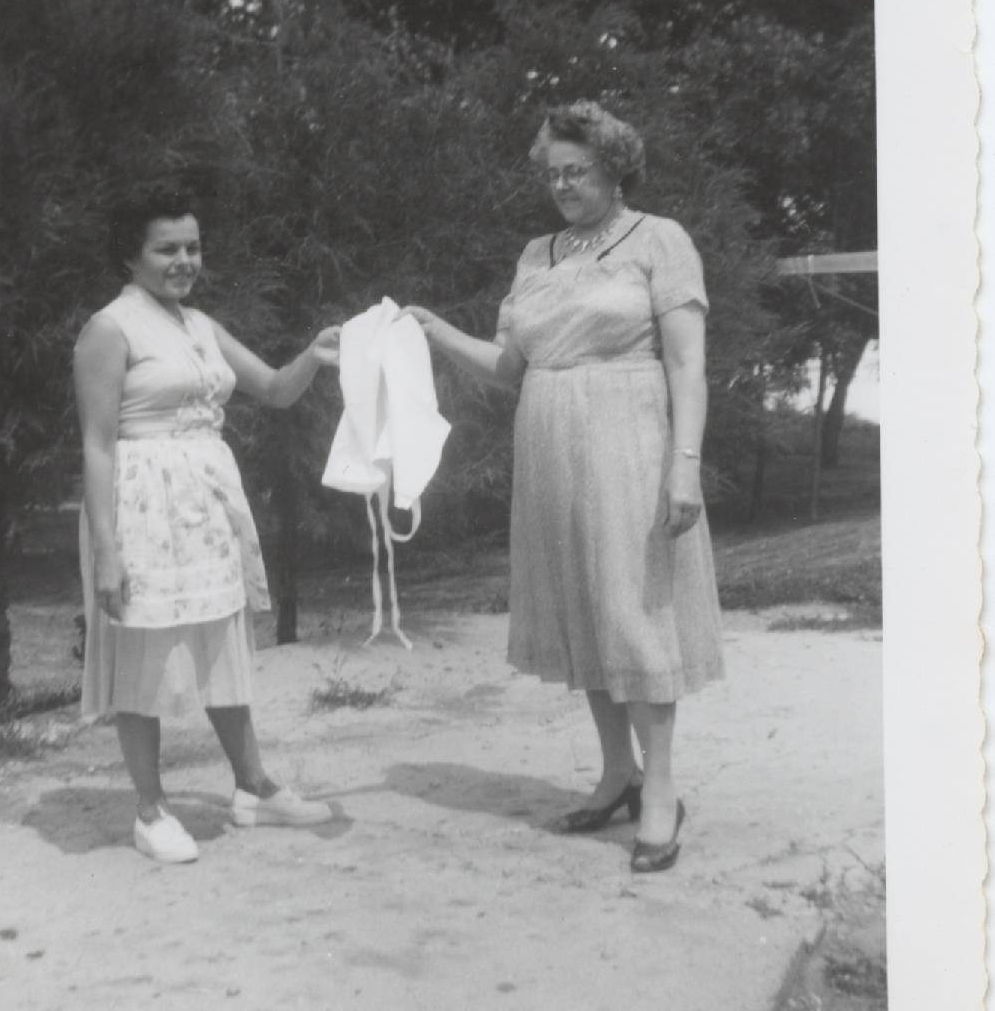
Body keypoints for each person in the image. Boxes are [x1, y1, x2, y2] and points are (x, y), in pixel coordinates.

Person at [406, 101, 724, 873]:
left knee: (633, 610)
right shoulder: (535, 254)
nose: (561, 186)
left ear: (615, 166)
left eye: (575, 171)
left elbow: (687, 363)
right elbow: (509, 366)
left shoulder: (659, 240)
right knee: (583, 606)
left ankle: (662, 790)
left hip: (631, 436)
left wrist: (685, 463)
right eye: (551, 174)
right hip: (548, 439)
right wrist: (432, 328)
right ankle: (617, 771)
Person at [73, 193, 342, 864]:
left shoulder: (200, 324)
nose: (184, 261)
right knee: (144, 653)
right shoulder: (109, 329)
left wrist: (315, 353)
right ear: (130, 256)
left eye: (192, 247)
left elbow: (276, 389)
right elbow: (98, 444)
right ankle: (150, 809)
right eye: (167, 248)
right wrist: (107, 550)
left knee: (223, 644)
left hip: (204, 504)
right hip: (139, 506)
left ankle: (254, 787)